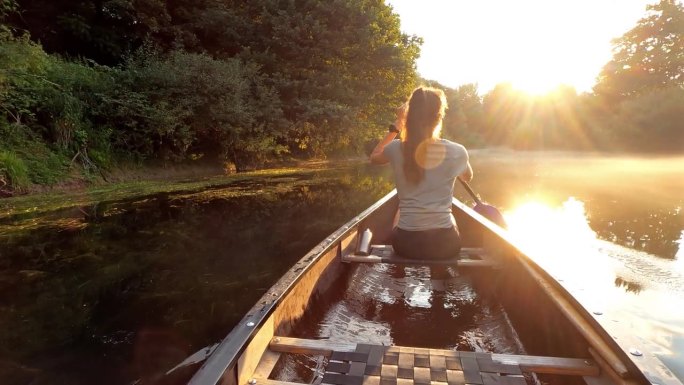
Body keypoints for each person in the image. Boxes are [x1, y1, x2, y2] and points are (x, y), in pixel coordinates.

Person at [369, 86, 473, 260]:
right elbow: (467, 177)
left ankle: (398, 281)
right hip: (445, 246)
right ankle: (439, 285)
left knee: (400, 210)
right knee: (451, 216)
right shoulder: (458, 151)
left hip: (406, 245)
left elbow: (374, 157)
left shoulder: (395, 148)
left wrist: (396, 126)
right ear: (439, 118)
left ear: (409, 117)